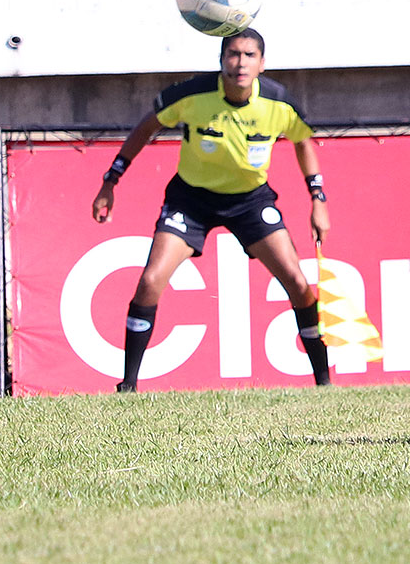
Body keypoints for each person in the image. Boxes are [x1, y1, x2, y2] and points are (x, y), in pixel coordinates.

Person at [92, 28, 331, 392]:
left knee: (298, 283)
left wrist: (318, 200)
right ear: (221, 61)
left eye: (250, 55)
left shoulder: (279, 103)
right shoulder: (192, 95)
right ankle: (128, 386)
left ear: (262, 64)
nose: (240, 63)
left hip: (251, 201)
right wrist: (112, 180)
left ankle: (323, 383)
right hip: (191, 201)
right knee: (150, 281)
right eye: (233, 54)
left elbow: (303, 142)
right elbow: (147, 127)